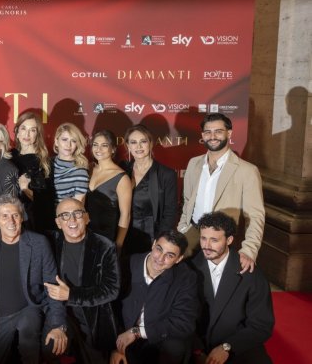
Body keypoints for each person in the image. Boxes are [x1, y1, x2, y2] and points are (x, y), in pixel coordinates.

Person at [0, 194, 67, 364]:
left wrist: (58, 324)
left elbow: (53, 285)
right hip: (0, 313)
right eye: (4, 216)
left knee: (28, 339)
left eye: (15, 215)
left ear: (22, 217)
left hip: (29, 307)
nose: (11, 221)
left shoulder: (39, 243)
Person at [177, 113, 265, 273]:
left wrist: (249, 250)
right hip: (193, 235)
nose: (212, 136)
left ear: (229, 133)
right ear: (202, 135)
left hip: (223, 240)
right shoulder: (193, 164)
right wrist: (183, 230)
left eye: (218, 131)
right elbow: (188, 202)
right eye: (208, 132)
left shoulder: (247, 170)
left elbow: (255, 216)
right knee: (185, 282)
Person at [192, 212, 274, 364]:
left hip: (237, 344)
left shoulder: (251, 274)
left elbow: (261, 325)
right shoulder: (188, 269)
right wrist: (197, 351)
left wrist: (227, 347)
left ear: (229, 240)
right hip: (196, 345)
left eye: (214, 240)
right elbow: (180, 316)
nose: (206, 246)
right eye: (203, 238)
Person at [47, 198, 119, 364]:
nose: (72, 220)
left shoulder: (105, 246)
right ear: (58, 223)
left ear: (87, 218)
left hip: (92, 314)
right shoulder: (49, 241)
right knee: (50, 346)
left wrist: (71, 295)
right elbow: (16, 231)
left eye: (77, 214)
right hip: (61, 312)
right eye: (65, 216)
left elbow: (111, 289)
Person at [111, 230, 198, 364]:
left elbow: (184, 322)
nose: (160, 258)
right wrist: (117, 346)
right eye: (159, 249)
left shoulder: (186, 278)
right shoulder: (126, 264)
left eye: (169, 255)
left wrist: (137, 332)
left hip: (158, 335)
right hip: (124, 333)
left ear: (179, 259)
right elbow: (110, 309)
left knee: (175, 347)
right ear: (153, 244)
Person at [122, 124, 177, 256]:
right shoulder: (122, 169)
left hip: (152, 237)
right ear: (128, 146)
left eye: (143, 142)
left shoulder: (166, 174)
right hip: (124, 234)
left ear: (151, 144)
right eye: (133, 142)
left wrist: (160, 241)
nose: (138, 147)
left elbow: (170, 212)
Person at [85, 129, 131, 251]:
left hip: (106, 237)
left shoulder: (122, 177)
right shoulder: (88, 169)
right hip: (83, 233)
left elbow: (125, 215)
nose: (98, 149)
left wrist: (119, 245)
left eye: (104, 145)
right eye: (95, 145)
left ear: (113, 149)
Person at [11, 112, 55, 233]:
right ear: (17, 132)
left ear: (37, 134)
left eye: (32, 130)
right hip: (10, 220)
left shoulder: (44, 162)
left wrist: (26, 190)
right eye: (23, 128)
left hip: (35, 222)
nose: (27, 134)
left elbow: (48, 202)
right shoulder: (9, 157)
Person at [52, 122, 89, 207]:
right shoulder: (47, 164)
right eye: (64, 139)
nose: (68, 145)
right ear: (56, 141)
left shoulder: (80, 172)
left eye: (73, 141)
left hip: (66, 218)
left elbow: (78, 207)